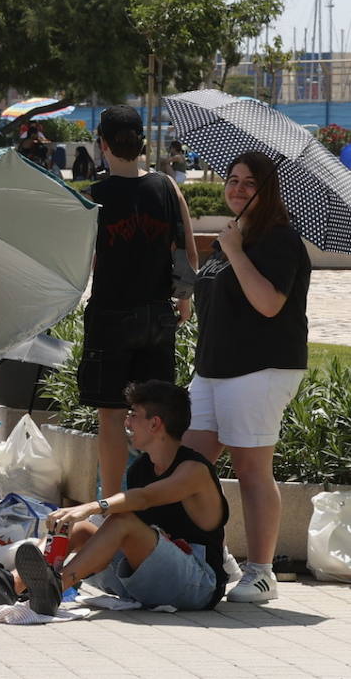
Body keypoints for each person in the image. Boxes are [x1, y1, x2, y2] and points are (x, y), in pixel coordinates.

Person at [0, 380, 228, 615]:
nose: (128, 422)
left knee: (121, 521)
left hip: (198, 583)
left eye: (134, 414)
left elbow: (145, 498)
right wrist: (78, 517)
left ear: (155, 423)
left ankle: (55, 587)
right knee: (75, 527)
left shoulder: (194, 470)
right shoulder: (141, 468)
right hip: (150, 577)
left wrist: (88, 507)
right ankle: (10, 585)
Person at [185, 150, 311, 603]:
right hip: (214, 369)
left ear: (268, 189)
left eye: (249, 182)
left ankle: (262, 572)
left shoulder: (279, 240)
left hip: (260, 369)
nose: (237, 188)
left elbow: (269, 303)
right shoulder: (234, 236)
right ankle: (219, 558)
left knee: (252, 469)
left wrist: (235, 251)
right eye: (232, 179)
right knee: (189, 466)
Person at [81, 105, 197, 500]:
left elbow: (80, 262)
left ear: (103, 144)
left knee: (112, 417)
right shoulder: (167, 187)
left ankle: (111, 503)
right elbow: (186, 250)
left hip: (111, 317)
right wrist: (184, 300)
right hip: (157, 317)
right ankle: (155, 501)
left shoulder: (94, 197)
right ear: (142, 143)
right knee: (155, 418)